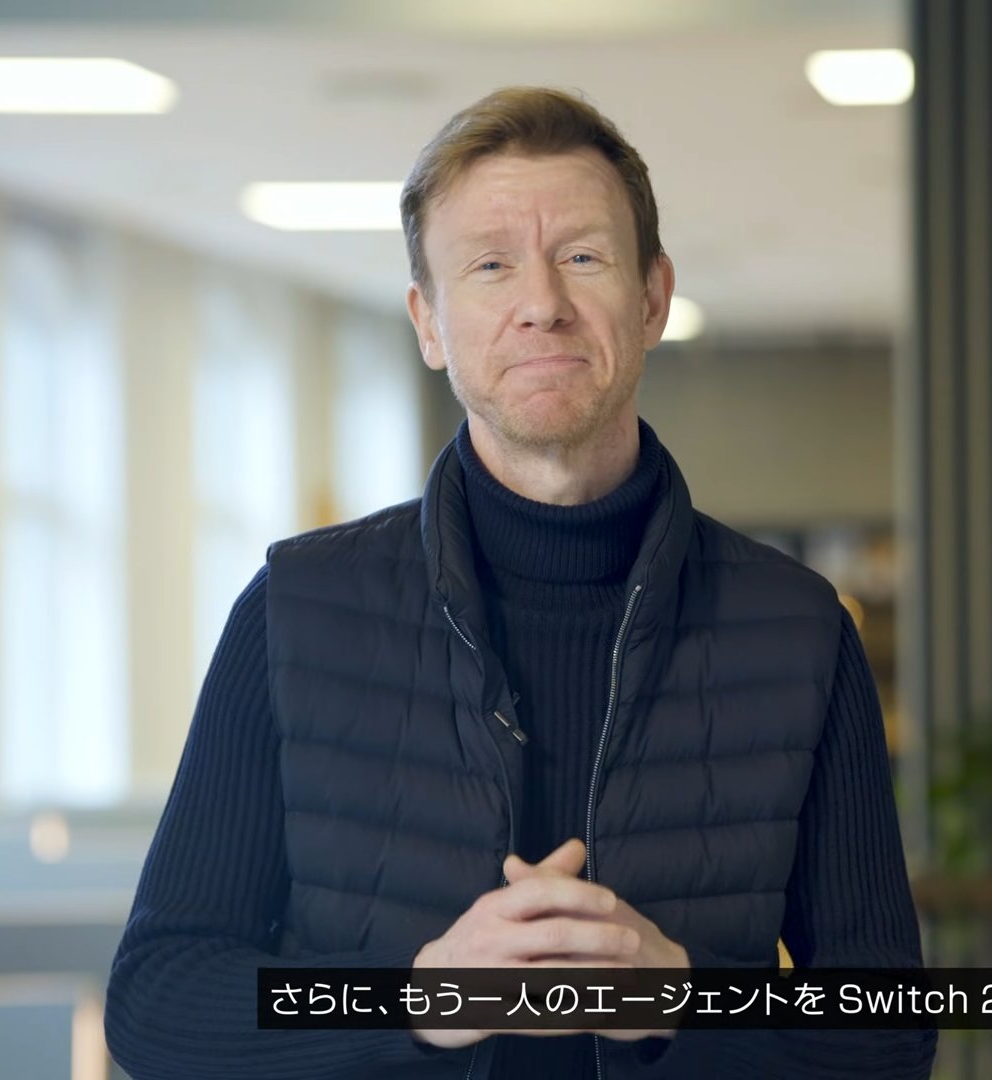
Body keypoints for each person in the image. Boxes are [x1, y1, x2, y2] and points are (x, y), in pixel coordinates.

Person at [104, 86, 933, 1079]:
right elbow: (158, 1002)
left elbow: (888, 1034)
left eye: (582, 257)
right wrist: (417, 1001)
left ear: (653, 297)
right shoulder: (294, 612)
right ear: (429, 322)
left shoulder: (797, 631)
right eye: (491, 266)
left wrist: (684, 1001)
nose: (542, 302)